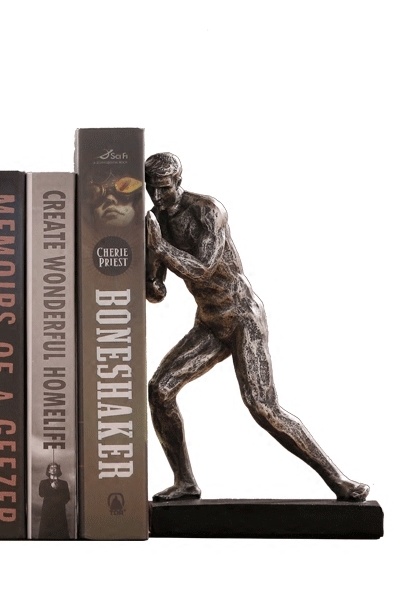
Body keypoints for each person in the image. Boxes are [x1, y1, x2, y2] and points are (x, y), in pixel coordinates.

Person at [144, 152, 368, 502]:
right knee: (159, 389)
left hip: (242, 316)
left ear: (178, 182)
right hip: (209, 322)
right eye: (151, 188)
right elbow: (156, 294)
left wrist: (159, 248)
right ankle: (185, 482)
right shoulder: (155, 221)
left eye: (164, 188)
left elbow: (203, 268)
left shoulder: (207, 210)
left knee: (263, 407)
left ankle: (338, 479)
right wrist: (147, 272)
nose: (158, 196)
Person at [38, 462, 71, 539]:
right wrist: (51, 487)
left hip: (60, 511)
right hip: (47, 511)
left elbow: (67, 497)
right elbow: (41, 494)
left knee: (60, 533)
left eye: (55, 468)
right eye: (51, 468)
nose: (53, 469)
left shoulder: (64, 483)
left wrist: (59, 502)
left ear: (58, 470)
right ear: (48, 470)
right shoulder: (43, 482)